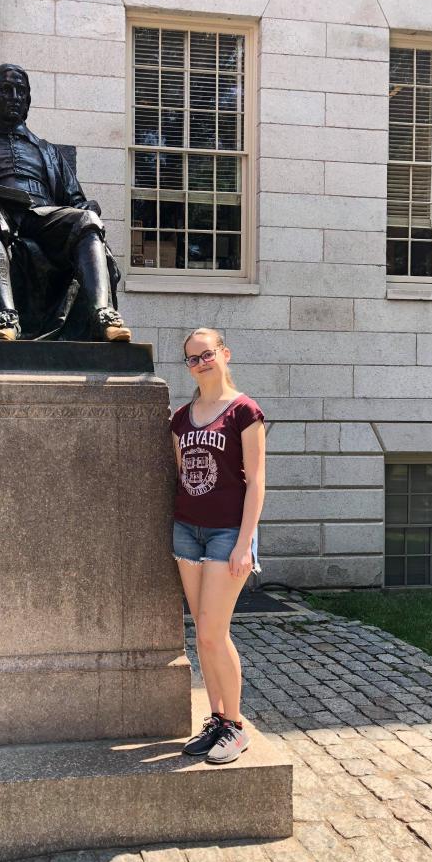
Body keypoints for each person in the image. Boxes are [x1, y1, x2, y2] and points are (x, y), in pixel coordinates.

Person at [0, 64, 132, 343]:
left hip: (42, 215)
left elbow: (74, 199)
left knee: (88, 221)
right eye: (6, 90)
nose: (14, 96)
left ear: (27, 101)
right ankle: (6, 318)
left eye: (20, 92)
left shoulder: (47, 150)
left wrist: (89, 207)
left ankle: (103, 315)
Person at [170, 327, 265, 763]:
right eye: (193, 358)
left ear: (224, 354)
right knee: (204, 637)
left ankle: (238, 725)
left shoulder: (245, 411)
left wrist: (245, 544)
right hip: (188, 531)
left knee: (212, 632)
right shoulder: (181, 417)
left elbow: (256, 482)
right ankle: (217, 721)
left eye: (207, 354)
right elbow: (182, 475)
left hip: (228, 534)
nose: (202, 363)